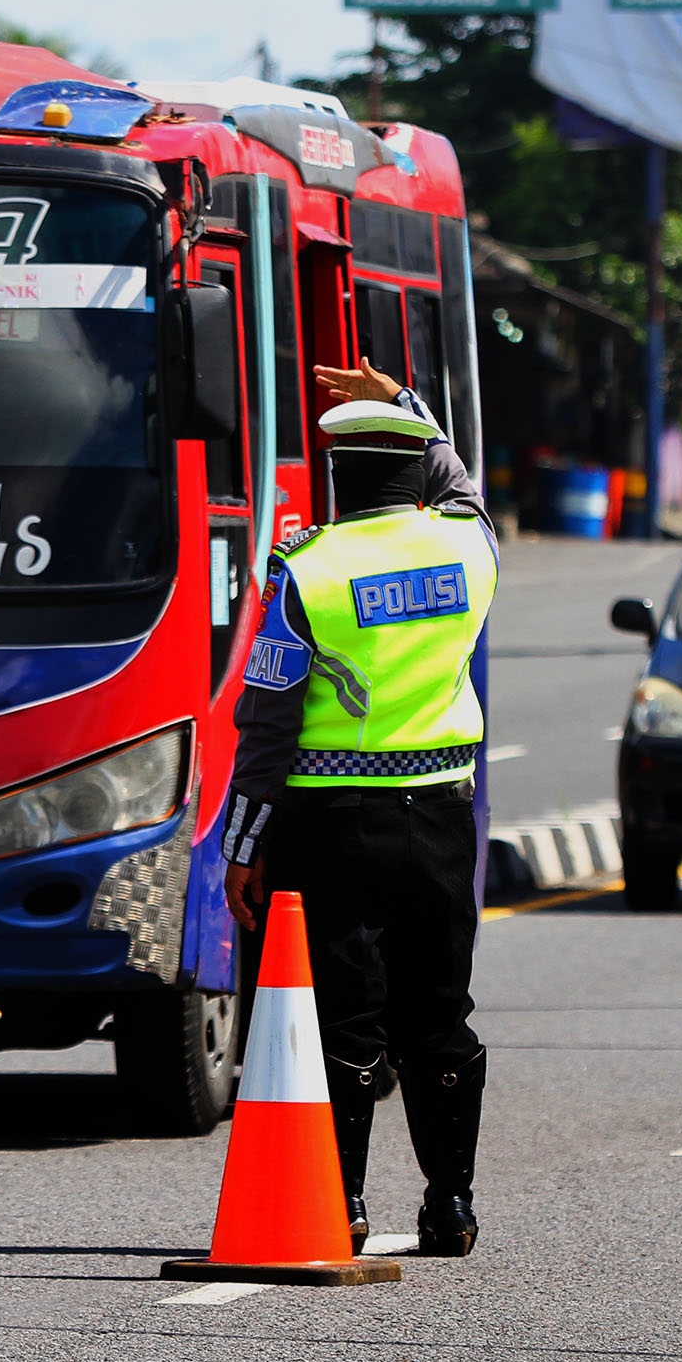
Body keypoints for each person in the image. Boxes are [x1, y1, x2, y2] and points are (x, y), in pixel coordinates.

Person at [221, 356, 498, 1259]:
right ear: (416, 472)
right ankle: (449, 1200)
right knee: (438, 1009)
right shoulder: (468, 549)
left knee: (342, 1015)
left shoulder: (309, 570)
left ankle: (339, 1205)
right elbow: (463, 486)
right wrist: (406, 404)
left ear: (338, 482)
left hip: (332, 823)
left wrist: (242, 843)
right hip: (443, 815)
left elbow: (266, 723)